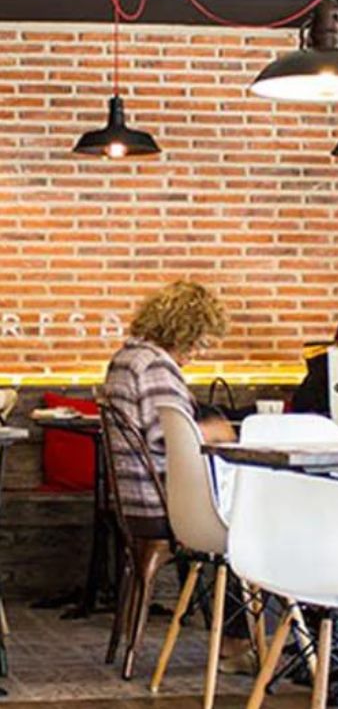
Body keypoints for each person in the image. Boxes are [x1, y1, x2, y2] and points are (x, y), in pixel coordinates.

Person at [101, 280, 250, 669]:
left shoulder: (125, 358)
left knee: (240, 513)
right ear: (182, 330)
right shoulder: (154, 365)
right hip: (165, 504)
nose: (198, 353)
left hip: (139, 502)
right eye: (199, 342)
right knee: (249, 521)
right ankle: (236, 644)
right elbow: (170, 436)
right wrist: (220, 432)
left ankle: (236, 637)